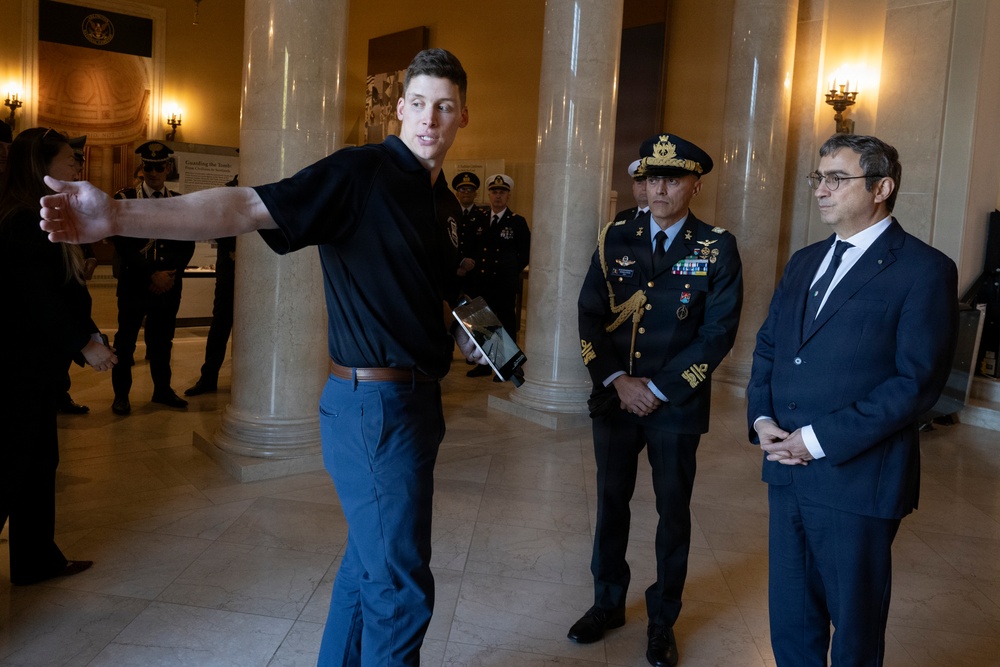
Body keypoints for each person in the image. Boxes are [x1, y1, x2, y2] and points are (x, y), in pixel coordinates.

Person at [39, 48, 485, 666]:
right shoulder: (361, 173)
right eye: (418, 104)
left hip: (416, 403)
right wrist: (118, 214)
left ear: (464, 116)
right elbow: (246, 206)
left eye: (444, 107)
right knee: (401, 591)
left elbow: (436, 287)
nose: (429, 119)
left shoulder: (442, 202)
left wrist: (470, 332)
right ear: (398, 111)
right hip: (373, 410)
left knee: (370, 568)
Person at [746, 134, 958, 666]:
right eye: (818, 178)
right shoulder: (804, 261)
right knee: (791, 617)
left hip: (857, 478)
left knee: (855, 627)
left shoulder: (924, 269)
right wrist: (763, 417)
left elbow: (915, 385)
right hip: (786, 469)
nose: (821, 190)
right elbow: (771, 345)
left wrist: (815, 441)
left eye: (836, 179)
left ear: (882, 187)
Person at [574, 133, 743, 667]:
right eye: (651, 178)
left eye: (673, 178)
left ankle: (662, 620)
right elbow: (588, 316)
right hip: (616, 399)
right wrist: (616, 381)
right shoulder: (614, 236)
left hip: (676, 403)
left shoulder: (717, 245)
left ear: (695, 183)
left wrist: (660, 389)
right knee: (610, 504)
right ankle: (607, 602)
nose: (660, 188)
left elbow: (717, 333)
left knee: (673, 512)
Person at [0, 127, 117, 585]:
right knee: (10, 468)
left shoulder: (45, 214)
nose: (78, 166)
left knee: (36, 464)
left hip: (34, 369)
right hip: (16, 369)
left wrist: (87, 333)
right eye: (70, 159)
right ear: (40, 165)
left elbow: (64, 294)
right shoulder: (23, 220)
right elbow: (38, 300)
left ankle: (36, 561)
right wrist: (84, 345)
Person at [109, 141, 195, 415]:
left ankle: (162, 391)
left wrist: (171, 274)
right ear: (142, 169)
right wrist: (152, 274)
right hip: (136, 284)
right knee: (126, 342)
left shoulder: (179, 202)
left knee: (161, 341)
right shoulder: (125, 199)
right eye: (149, 167)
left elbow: (186, 242)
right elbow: (123, 245)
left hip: (168, 286)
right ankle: (121, 396)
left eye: (159, 167)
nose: (154, 173)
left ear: (168, 168)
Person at [462, 172, 530, 377]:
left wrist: (511, 271)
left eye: (502, 192)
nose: (497, 196)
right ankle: (485, 364)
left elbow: (525, 252)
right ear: (489, 195)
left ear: (508, 196)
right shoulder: (479, 219)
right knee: (483, 323)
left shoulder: (516, 222)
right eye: (494, 192)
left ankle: (507, 367)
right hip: (481, 282)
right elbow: (471, 247)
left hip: (504, 283)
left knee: (505, 323)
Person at [186, 175, 239, 397]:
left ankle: (253, 378)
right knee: (219, 327)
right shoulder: (226, 193)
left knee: (257, 331)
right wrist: (234, 247)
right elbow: (216, 228)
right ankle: (208, 377)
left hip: (258, 276)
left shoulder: (262, 187)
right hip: (229, 273)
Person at [57, 134, 98, 414]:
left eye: (79, 162)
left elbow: (84, 227)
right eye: (73, 160)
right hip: (58, 278)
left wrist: (92, 256)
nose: (78, 168)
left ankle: (60, 394)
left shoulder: (76, 194)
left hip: (75, 275)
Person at [451, 170, 483, 280]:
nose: (466, 192)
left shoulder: (483, 216)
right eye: (462, 189)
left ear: (475, 193)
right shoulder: (449, 215)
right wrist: (459, 263)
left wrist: (470, 265)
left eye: (470, 189)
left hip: (476, 272)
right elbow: (446, 243)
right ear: (456, 193)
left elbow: (484, 245)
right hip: (453, 271)